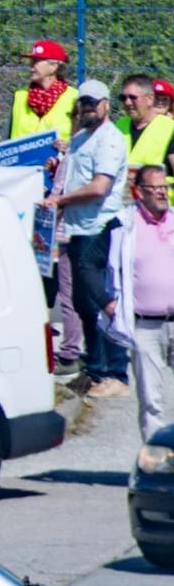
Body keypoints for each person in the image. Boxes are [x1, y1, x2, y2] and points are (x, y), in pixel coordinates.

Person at [43, 80, 131, 398]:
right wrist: (58, 168)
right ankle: (95, 370)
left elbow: (98, 188)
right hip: (78, 229)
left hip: (101, 226)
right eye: (84, 102)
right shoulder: (81, 138)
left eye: (94, 102)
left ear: (107, 104)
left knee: (102, 299)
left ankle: (116, 374)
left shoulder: (109, 140)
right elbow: (75, 175)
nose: (88, 107)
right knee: (82, 302)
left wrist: (61, 201)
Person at [104, 165, 174, 438]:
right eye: (154, 187)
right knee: (151, 400)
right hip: (146, 326)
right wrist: (106, 302)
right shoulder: (123, 225)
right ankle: (157, 467)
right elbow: (93, 264)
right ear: (138, 192)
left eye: (164, 187)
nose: (161, 193)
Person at [9, 40, 76, 142]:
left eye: (36, 61)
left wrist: (68, 148)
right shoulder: (20, 96)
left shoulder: (74, 98)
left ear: (53, 66)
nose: (31, 67)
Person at [119, 74, 174, 174]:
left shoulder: (169, 128)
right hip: (123, 189)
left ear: (150, 99)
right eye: (123, 98)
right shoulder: (119, 125)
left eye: (133, 97)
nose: (127, 102)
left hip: (159, 189)